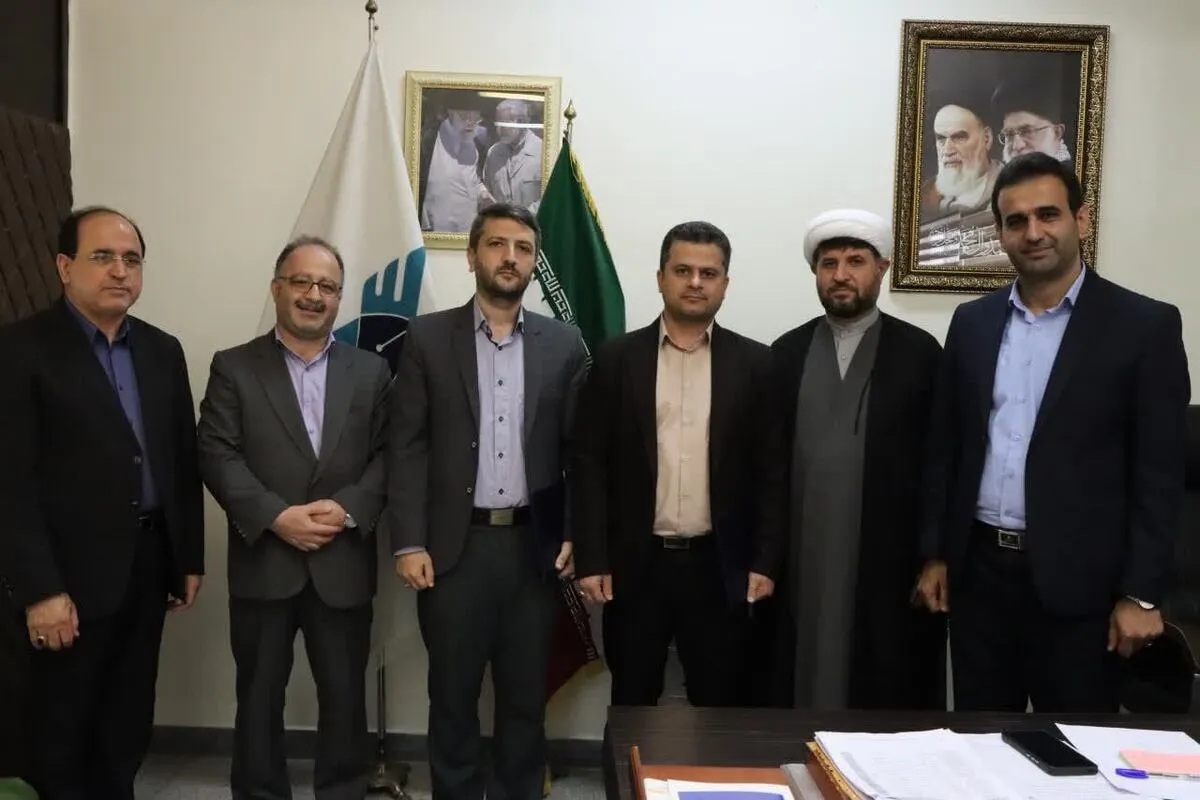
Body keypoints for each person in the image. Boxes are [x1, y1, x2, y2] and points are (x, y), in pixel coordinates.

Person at [916, 152, 1191, 712]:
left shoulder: (1145, 327)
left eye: (1048, 215)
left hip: (1083, 589)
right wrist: (936, 555)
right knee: (979, 740)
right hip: (979, 579)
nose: (1033, 232)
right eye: (1016, 221)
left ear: (1081, 219)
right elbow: (946, 450)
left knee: (1073, 747)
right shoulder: (972, 323)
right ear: (1000, 233)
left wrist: (1141, 595)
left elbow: (1160, 474)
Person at [0, 206, 205, 798]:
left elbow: (179, 459)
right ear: (65, 267)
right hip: (64, 578)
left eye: (131, 259)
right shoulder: (20, 350)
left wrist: (186, 557)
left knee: (126, 723)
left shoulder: (162, 351)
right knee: (59, 731)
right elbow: (9, 482)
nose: (120, 270)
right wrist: (39, 590)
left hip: (146, 567)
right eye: (103, 257)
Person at [387, 203, 586, 800]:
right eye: (497, 244)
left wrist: (573, 530)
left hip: (532, 550)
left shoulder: (564, 344)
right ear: (472, 256)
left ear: (534, 262)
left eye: (523, 248)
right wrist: (408, 540)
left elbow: (580, 451)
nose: (510, 257)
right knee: (452, 695)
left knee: (525, 696)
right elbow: (407, 446)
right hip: (454, 551)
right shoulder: (427, 338)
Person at [196, 235, 392, 798]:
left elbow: (390, 455)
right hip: (265, 560)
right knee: (258, 697)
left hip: (342, 560)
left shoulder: (372, 371)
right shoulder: (234, 366)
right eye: (302, 281)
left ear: (339, 298)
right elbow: (215, 451)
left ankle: (343, 790)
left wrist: (349, 507)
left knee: (345, 697)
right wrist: (277, 516)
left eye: (327, 286)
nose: (314, 295)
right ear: (277, 288)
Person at [572, 221, 786, 709]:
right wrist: (593, 557)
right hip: (636, 565)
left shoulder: (757, 365)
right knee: (633, 699)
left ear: (725, 284)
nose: (695, 282)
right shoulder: (616, 359)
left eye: (709, 273)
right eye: (683, 270)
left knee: (720, 702)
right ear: (660, 277)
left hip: (721, 566)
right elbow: (589, 465)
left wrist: (766, 561)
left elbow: (772, 474)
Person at [769, 209, 946, 711]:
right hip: (799, 555)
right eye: (829, 264)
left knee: (884, 682)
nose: (841, 275)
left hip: (888, 558)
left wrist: (935, 555)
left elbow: (939, 463)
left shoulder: (921, 354)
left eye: (855, 261)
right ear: (816, 273)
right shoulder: (785, 353)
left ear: (882, 268)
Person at [920, 104, 1003, 218]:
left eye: (959, 137)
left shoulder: (1013, 185)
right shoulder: (925, 198)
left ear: (986, 138)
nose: (947, 151)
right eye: (941, 139)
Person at [483, 99, 544, 213]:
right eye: (497, 124)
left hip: (531, 222)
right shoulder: (493, 153)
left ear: (521, 122)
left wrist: (522, 218)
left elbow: (549, 197)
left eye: (504, 124)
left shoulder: (542, 152)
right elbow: (488, 192)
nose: (499, 130)